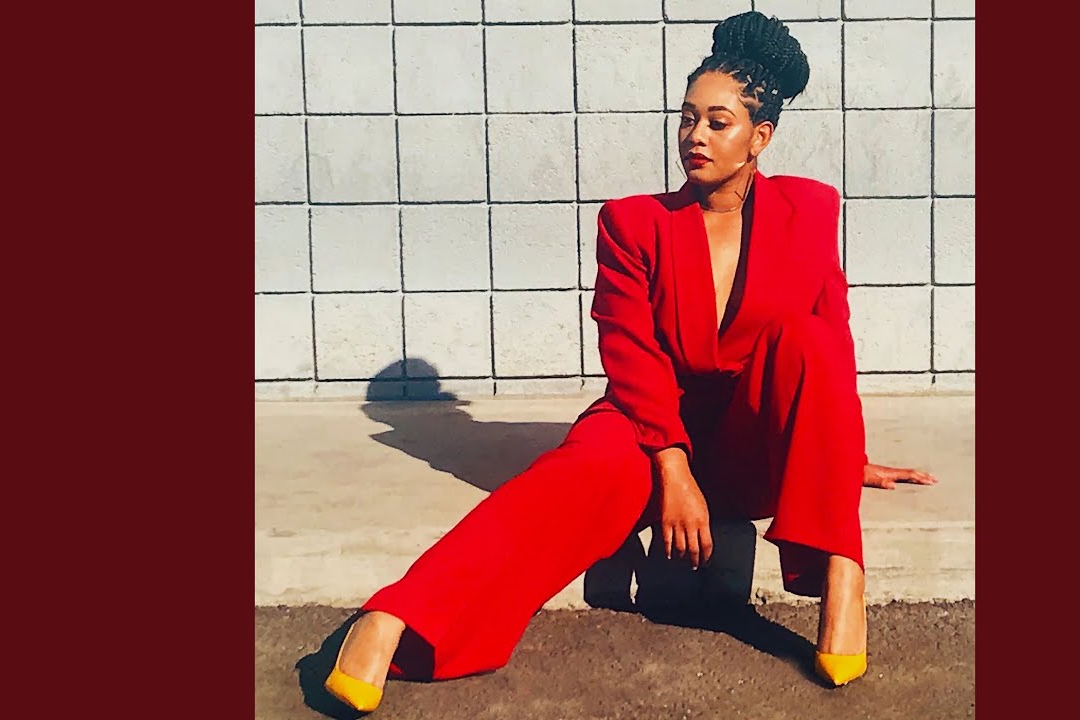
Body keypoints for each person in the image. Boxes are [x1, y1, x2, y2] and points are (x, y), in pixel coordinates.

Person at [322, 11, 936, 714]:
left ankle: (843, 576)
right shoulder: (633, 222)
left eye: (718, 122)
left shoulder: (809, 210)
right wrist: (672, 467)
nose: (695, 136)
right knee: (571, 475)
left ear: (760, 137)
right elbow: (629, 353)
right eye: (687, 118)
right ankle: (394, 619)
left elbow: (831, 348)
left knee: (812, 336)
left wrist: (837, 454)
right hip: (650, 427)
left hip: (749, 444)